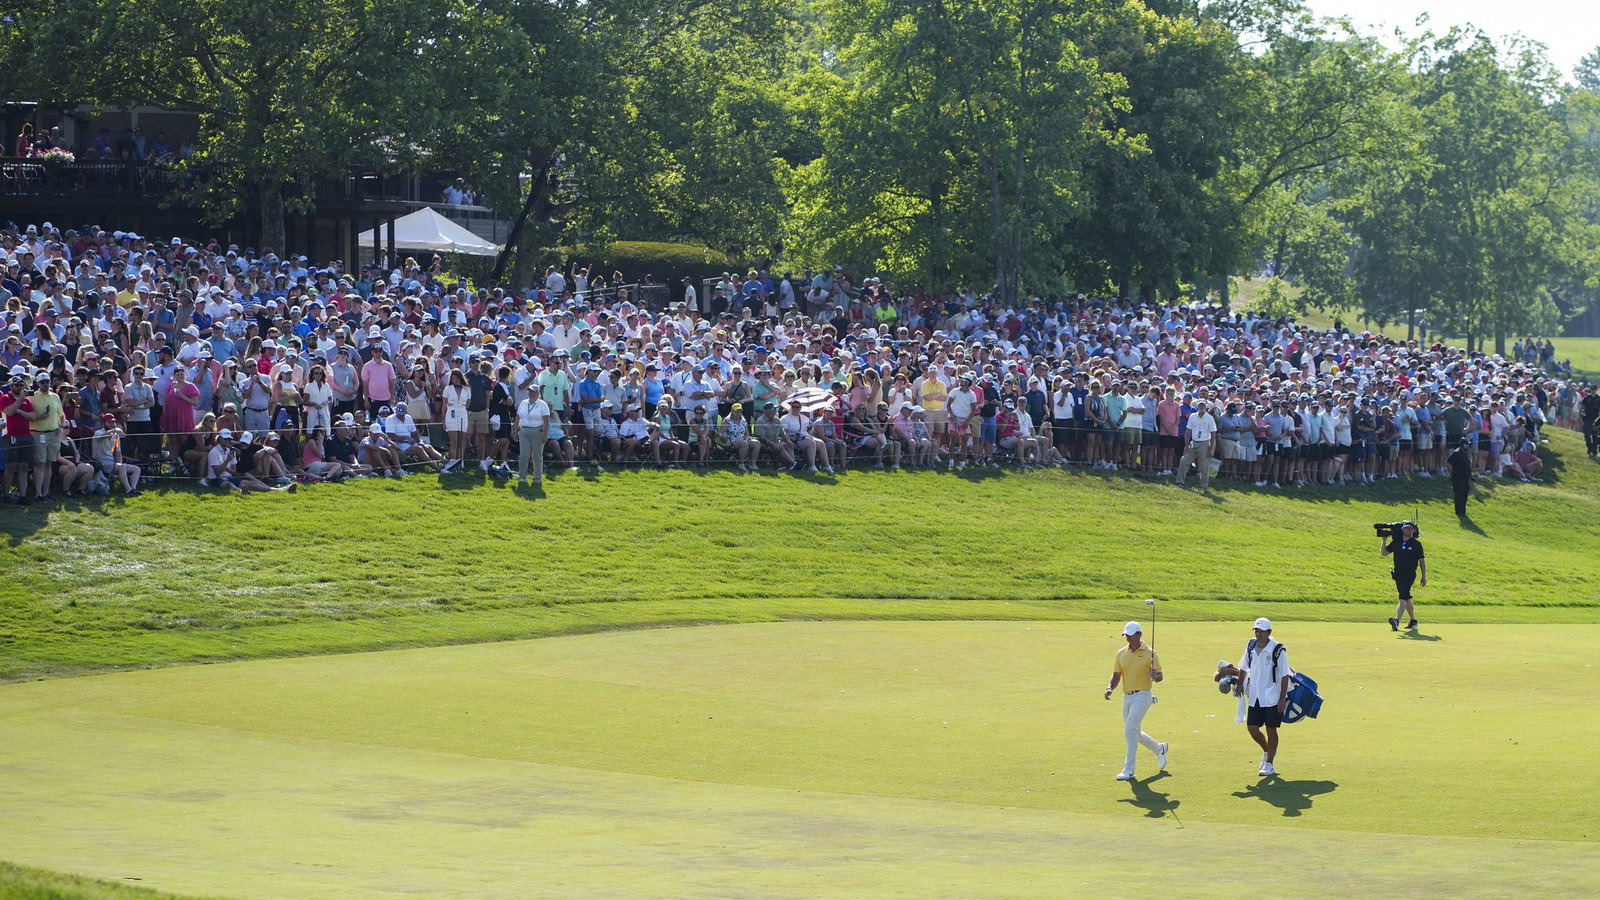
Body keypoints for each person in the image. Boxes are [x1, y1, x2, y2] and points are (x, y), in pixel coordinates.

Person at [1104, 621, 1167, 782]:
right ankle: (1159, 748)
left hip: (1143, 695)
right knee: (1134, 732)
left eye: (1131, 635)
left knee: (1129, 730)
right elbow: (1116, 675)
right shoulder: (1121, 653)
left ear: (1139, 635)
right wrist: (1110, 688)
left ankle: (1129, 769)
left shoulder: (1150, 653)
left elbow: (1160, 677)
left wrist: (1155, 675)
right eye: (1126, 635)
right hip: (1127, 696)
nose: (1128, 639)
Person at [1235, 617, 1290, 777]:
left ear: (1269, 632)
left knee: (1271, 729)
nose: (1258, 634)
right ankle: (1267, 751)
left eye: (1262, 631)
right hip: (1255, 696)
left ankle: (1269, 764)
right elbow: (1244, 666)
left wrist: (1282, 698)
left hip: (1272, 696)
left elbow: (1285, 675)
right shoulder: (1251, 645)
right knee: (1252, 728)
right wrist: (1239, 684)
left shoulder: (1278, 649)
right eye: (1256, 630)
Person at [1381, 522, 1426, 631]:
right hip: (1398, 574)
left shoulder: (1416, 544)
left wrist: (1424, 576)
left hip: (1410, 574)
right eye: (1406, 529)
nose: (1408, 531)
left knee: (1402, 597)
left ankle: (1396, 620)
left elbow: (1422, 561)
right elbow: (1384, 553)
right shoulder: (1397, 542)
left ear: (1414, 531)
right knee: (1406, 597)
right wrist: (1384, 540)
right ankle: (1413, 621)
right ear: (1402, 530)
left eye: (1410, 529)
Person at [1447, 439, 1473, 517]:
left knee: (1465, 494)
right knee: (1459, 494)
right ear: (1462, 444)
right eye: (1466, 444)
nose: (1468, 446)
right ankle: (1458, 511)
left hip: (1465, 478)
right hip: (1458, 478)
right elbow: (1448, 463)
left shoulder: (1465, 454)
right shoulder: (1456, 453)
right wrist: (1451, 474)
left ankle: (1463, 510)